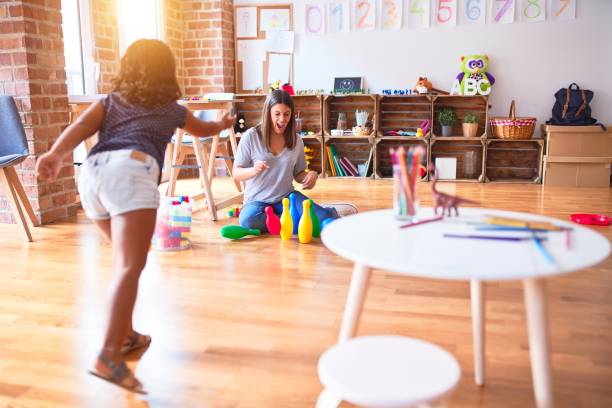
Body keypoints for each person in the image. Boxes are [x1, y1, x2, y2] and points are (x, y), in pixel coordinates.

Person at [36, 39, 235, 393]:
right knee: (130, 266)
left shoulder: (110, 102)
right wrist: (221, 123)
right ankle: (108, 355)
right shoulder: (172, 109)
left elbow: (81, 127)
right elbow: (203, 132)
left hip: (92, 175)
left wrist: (54, 154)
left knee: (123, 263)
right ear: (167, 72)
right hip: (131, 172)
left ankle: (125, 336)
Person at [233, 90, 356, 232]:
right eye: (277, 114)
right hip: (257, 202)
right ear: (268, 113)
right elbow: (236, 173)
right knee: (247, 220)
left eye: (286, 114)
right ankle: (295, 219)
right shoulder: (251, 136)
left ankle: (320, 214)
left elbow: (298, 174)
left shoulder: (296, 140)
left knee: (325, 219)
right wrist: (253, 170)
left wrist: (311, 175)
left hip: (285, 197)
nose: (282, 119)